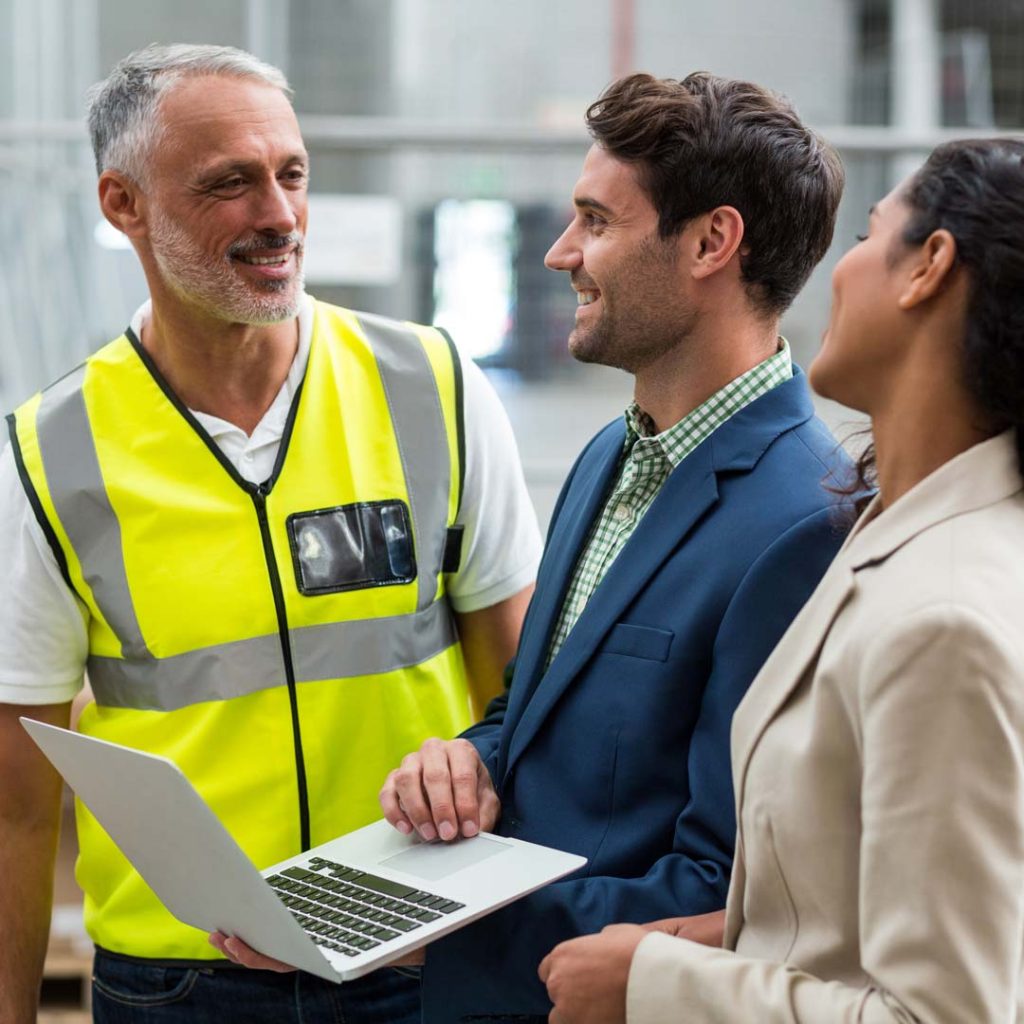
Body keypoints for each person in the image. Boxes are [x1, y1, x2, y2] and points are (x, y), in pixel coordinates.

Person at [0, 43, 542, 1024]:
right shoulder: (49, 452)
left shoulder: (432, 387)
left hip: (415, 959)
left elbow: (522, 694)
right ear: (122, 204)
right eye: (229, 184)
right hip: (175, 984)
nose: (279, 214)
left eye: (291, 174)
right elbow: (14, 802)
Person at [372, 72, 854, 1022]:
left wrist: (428, 929)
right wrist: (468, 762)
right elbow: (541, 718)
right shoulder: (611, 454)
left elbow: (732, 887)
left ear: (712, 242)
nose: (560, 253)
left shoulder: (805, 523)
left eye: (595, 221)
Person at [539, 136, 1024, 1024]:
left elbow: (943, 1014)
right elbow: (818, 908)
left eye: (869, 239)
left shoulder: (944, 617)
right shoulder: (897, 536)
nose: (834, 273)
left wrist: (653, 982)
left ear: (931, 269)